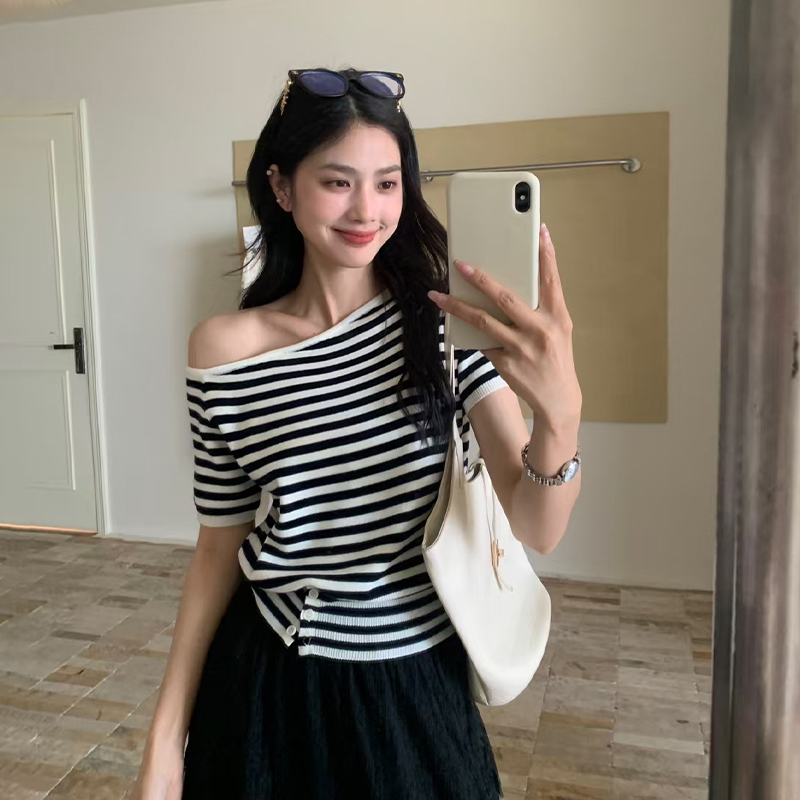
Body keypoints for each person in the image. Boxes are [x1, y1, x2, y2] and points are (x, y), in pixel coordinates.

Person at [132, 66, 582, 800]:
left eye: (387, 182)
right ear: (282, 188)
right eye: (337, 182)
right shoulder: (222, 351)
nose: (367, 209)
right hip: (264, 686)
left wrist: (561, 414)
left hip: (410, 693)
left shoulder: (444, 329)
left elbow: (539, 526)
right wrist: (163, 743)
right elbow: (218, 546)